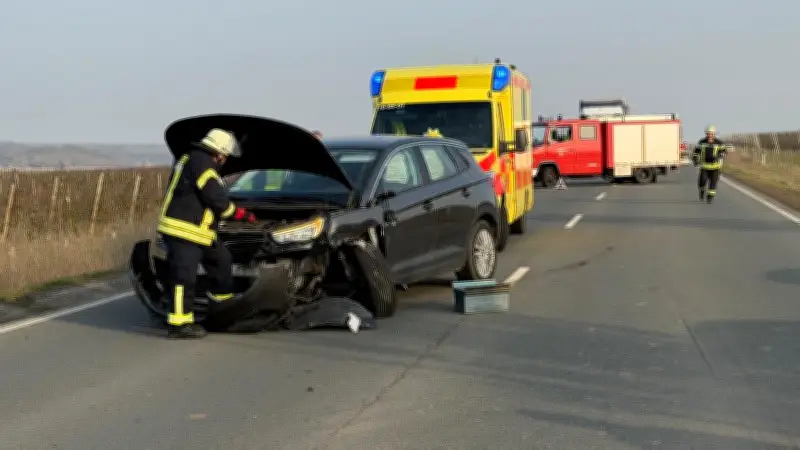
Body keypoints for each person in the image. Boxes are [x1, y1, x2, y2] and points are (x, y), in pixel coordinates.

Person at [157, 128, 258, 339]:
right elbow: (216, 199)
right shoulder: (202, 164)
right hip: (183, 230)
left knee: (222, 261)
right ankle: (179, 324)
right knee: (184, 277)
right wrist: (239, 214)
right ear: (219, 152)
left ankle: (222, 309)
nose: (225, 160)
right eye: (225, 156)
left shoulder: (194, 159)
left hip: (199, 232)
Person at [692, 125, 727, 203]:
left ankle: (710, 197)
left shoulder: (719, 143)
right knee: (702, 182)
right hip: (704, 167)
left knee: (713, 183)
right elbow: (696, 152)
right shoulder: (702, 142)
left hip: (715, 167)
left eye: (711, 133)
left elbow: (724, 151)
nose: (709, 135)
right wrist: (695, 159)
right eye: (708, 133)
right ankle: (702, 191)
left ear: (714, 134)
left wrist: (720, 155)